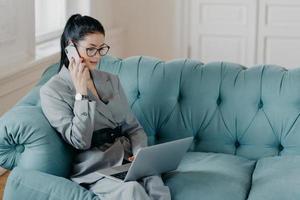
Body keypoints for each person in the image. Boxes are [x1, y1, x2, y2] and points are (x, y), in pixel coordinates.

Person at [40, 14, 171, 200]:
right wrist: (81, 93)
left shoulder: (110, 80)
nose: (97, 56)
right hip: (96, 168)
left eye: (101, 49)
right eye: (91, 49)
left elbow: (133, 128)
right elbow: (80, 141)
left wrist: (140, 154)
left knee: (158, 189)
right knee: (132, 190)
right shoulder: (52, 91)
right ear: (71, 47)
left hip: (129, 159)